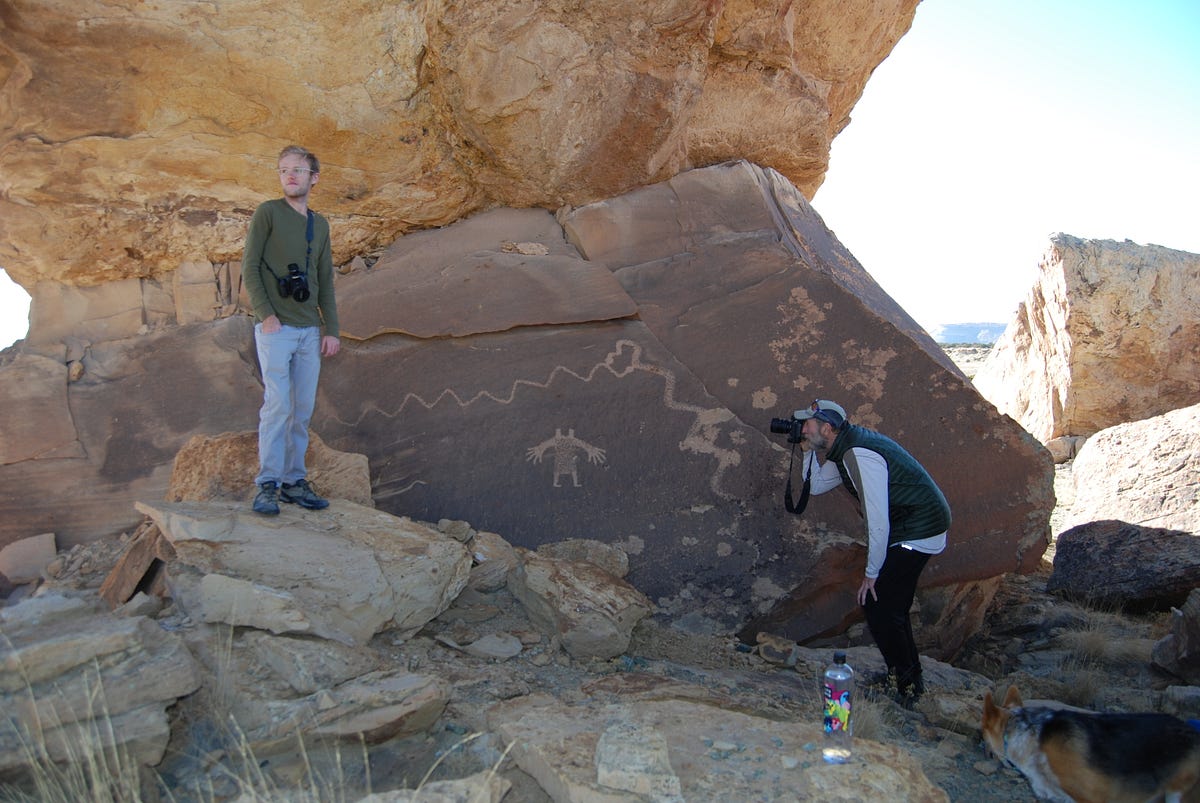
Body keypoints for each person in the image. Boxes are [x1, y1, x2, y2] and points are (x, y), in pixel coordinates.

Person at [797, 399, 950, 704]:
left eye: (807, 424)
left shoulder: (858, 454)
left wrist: (872, 573)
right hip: (910, 526)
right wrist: (808, 450)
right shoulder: (843, 449)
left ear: (827, 428)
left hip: (918, 529)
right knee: (891, 606)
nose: (801, 428)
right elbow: (814, 486)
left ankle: (906, 686)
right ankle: (905, 677)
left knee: (879, 604)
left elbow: (877, 520)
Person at [241, 145, 340, 515]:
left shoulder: (321, 224)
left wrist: (331, 328)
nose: (290, 176)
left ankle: (294, 481)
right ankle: (267, 483)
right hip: (276, 329)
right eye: (284, 170)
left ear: (314, 177)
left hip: (308, 330)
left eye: (298, 170)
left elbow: (324, 280)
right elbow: (249, 266)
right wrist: (265, 314)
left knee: (302, 409)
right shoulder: (268, 213)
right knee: (278, 405)